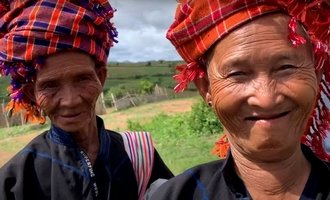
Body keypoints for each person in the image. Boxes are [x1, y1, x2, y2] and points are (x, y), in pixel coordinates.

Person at [150, 0, 330, 199]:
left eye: (285, 68)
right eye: (238, 74)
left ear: (317, 72)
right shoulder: (177, 196)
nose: (266, 99)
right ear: (206, 88)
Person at [0, 0, 173, 199]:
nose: (70, 101)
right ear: (32, 93)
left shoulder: (140, 156)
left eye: (83, 79)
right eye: (50, 86)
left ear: (101, 77)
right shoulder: (13, 183)